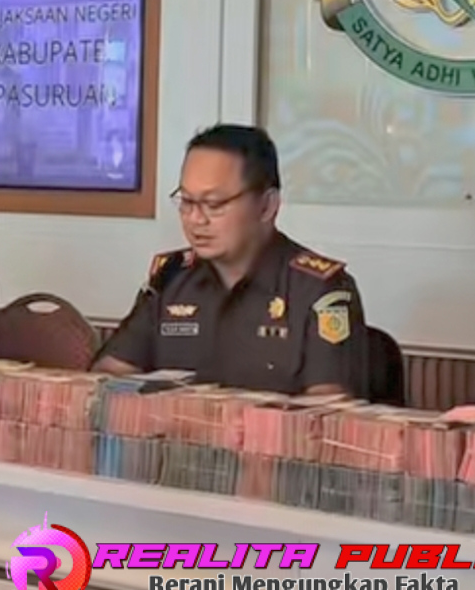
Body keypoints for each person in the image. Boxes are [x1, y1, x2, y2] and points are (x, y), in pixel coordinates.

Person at [93, 125, 369, 397]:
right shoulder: (170, 278)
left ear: (266, 206)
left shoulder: (319, 290)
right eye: (187, 202)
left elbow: (328, 408)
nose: (195, 219)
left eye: (214, 205)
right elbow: (108, 373)